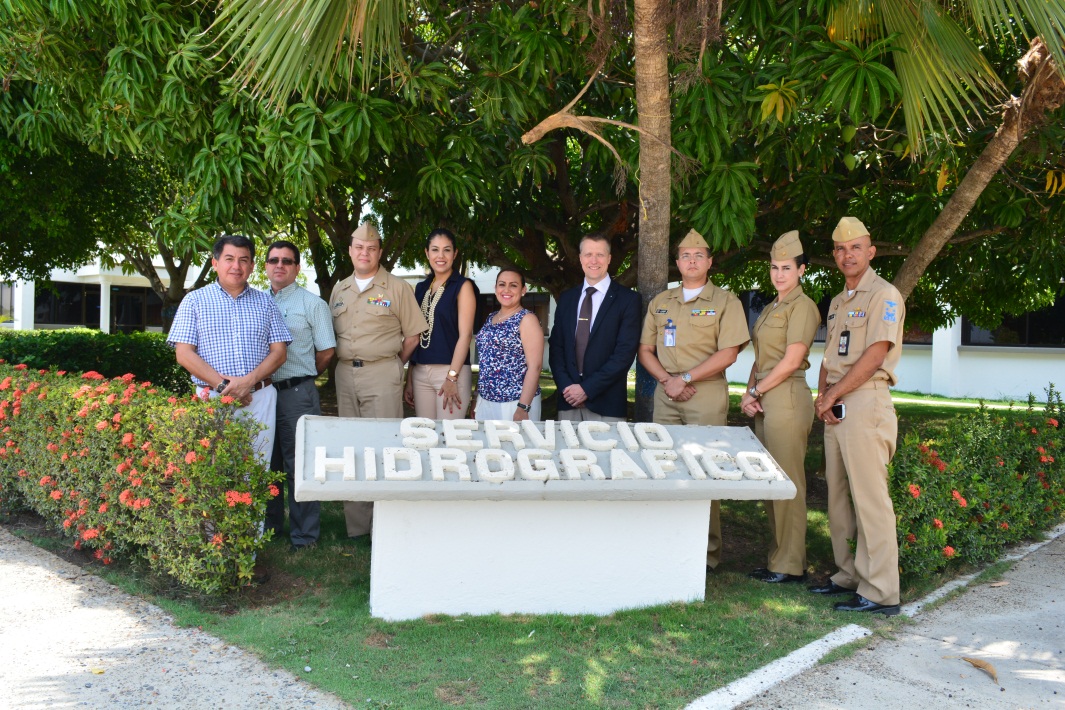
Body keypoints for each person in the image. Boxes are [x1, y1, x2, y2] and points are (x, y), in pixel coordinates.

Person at [168, 234, 291, 581]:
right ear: (215, 263)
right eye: (230, 259)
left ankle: (247, 552)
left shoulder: (265, 303)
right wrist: (225, 386)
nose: (237, 266)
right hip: (212, 399)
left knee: (255, 469)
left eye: (244, 259)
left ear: (252, 265)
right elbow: (184, 353)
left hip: (260, 398)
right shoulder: (195, 301)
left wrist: (248, 382)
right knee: (213, 470)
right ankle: (215, 547)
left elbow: (279, 352)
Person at [809, 216, 905, 616]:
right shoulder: (837, 301)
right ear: (834, 255)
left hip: (866, 403)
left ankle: (881, 591)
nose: (847, 255)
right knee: (838, 498)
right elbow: (830, 357)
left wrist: (831, 394)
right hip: (837, 404)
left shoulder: (884, 295)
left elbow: (874, 356)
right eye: (840, 249)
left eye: (855, 247)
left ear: (871, 252)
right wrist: (822, 397)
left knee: (870, 500)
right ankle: (848, 575)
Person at [638, 228, 750, 572]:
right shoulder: (662, 302)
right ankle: (668, 549)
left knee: (706, 470)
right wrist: (667, 381)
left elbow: (729, 353)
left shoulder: (725, 301)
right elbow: (645, 350)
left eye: (698, 255)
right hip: (665, 393)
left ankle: (706, 554)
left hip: (706, 393)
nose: (691, 260)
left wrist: (685, 378)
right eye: (685, 255)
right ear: (677, 262)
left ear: (710, 262)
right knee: (665, 468)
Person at [329, 222, 429, 538]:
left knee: (385, 448)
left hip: (383, 372)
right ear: (350, 251)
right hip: (345, 374)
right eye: (359, 247)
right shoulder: (340, 289)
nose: (365, 253)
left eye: (371, 248)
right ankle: (357, 528)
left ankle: (385, 527)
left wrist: (391, 365)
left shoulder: (397, 288)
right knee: (352, 449)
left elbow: (413, 334)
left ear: (379, 252)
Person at [739, 231, 820, 584]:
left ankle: (790, 564)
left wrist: (756, 389)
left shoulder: (803, 306)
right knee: (772, 482)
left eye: (786, 267)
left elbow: (790, 362)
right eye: (774, 267)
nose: (779, 274)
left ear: (801, 270)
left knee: (788, 483)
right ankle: (778, 558)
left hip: (786, 397)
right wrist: (749, 393)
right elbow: (762, 358)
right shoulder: (773, 306)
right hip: (766, 397)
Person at [263, 240, 336, 552]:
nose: (280, 265)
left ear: (297, 267)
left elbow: (327, 350)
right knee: (268, 463)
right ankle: (269, 528)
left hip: (297, 393)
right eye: (274, 260)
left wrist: (303, 377)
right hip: (263, 394)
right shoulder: (256, 301)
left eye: (287, 261)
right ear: (265, 266)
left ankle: (304, 537)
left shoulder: (312, 304)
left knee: (299, 464)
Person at [549, 233, 641, 422]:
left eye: (600, 254)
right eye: (588, 254)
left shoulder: (628, 300)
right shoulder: (566, 299)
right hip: (568, 402)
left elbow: (624, 354)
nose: (594, 260)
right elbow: (557, 348)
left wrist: (586, 389)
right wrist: (568, 388)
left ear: (609, 259)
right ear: (580, 258)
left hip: (607, 404)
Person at [403, 228, 476, 419]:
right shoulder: (420, 288)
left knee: (448, 438)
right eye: (435, 250)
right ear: (427, 253)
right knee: (425, 435)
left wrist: (452, 377)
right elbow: (416, 335)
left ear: (455, 253)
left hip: (451, 371)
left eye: (447, 250)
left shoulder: (463, 286)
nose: (440, 256)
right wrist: (409, 377)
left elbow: (465, 335)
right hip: (420, 371)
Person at [474, 268, 544, 421]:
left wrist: (523, 407)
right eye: (502, 284)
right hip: (486, 400)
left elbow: (535, 367)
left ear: (523, 290)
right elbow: (486, 361)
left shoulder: (527, 319)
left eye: (513, 285)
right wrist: (476, 398)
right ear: (495, 288)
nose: (506, 290)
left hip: (514, 402)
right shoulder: (491, 317)